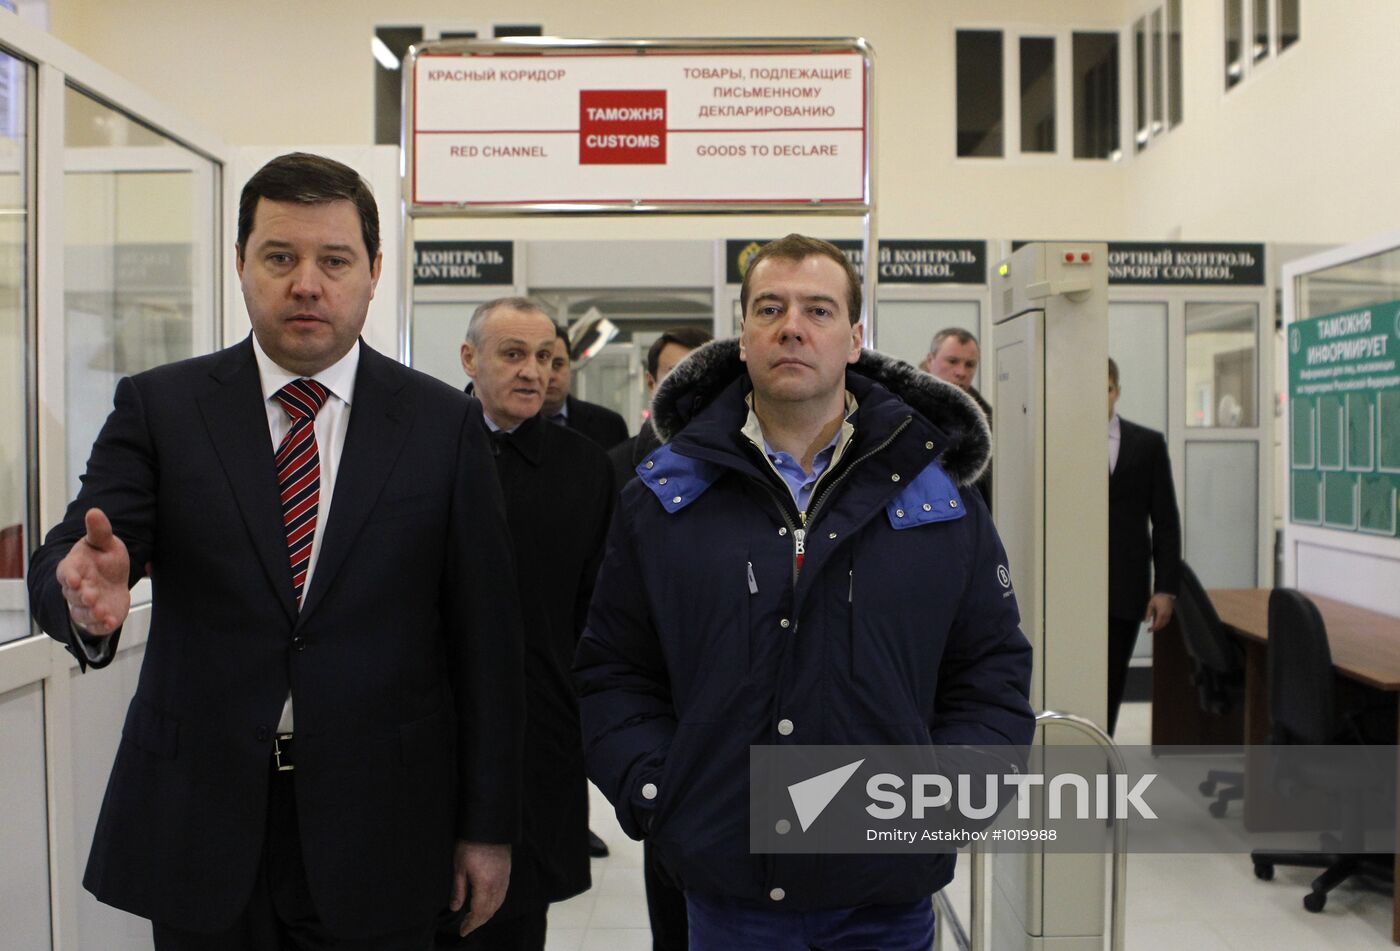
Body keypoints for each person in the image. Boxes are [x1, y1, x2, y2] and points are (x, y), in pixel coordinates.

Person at [27, 152, 524, 951]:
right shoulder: (164, 407)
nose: (307, 283)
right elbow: (73, 554)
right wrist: (80, 592)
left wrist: (489, 827)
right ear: (240, 265)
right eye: (280, 257)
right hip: (204, 819)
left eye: (334, 260)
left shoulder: (441, 425)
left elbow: (488, 643)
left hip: (384, 823)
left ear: (372, 272)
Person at [575, 234, 1035, 950]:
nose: (793, 325)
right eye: (771, 308)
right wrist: (662, 794)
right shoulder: (663, 500)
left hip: (887, 892)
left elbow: (991, 676)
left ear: (854, 338)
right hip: (729, 892)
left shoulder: (940, 501)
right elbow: (613, 672)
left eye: (818, 309)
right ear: (745, 336)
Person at [441, 298, 614, 950]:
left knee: (517, 921)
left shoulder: (584, 466)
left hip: (538, 730)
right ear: (470, 359)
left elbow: (596, 612)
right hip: (432, 735)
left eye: (546, 357)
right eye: (513, 354)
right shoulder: (424, 447)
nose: (533, 371)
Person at [1107, 357, 1182, 736]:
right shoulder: (1060, 442)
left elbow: (1165, 520)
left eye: (1105, 388)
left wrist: (1165, 587)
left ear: (1117, 391)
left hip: (1126, 585)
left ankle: (1100, 760)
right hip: (1071, 586)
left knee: (1112, 682)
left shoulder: (1147, 444)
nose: (1099, 397)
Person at [608, 326, 714, 490]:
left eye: (701, 373)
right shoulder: (616, 466)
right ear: (651, 384)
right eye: (675, 375)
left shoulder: (743, 460)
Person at [922, 327, 993, 510]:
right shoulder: (903, 413)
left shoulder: (989, 423)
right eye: (952, 361)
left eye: (969, 365)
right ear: (931, 361)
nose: (961, 372)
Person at [543, 323, 629, 450]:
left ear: (570, 368)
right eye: (542, 364)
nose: (550, 376)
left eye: (558, 364)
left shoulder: (609, 425)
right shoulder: (509, 424)